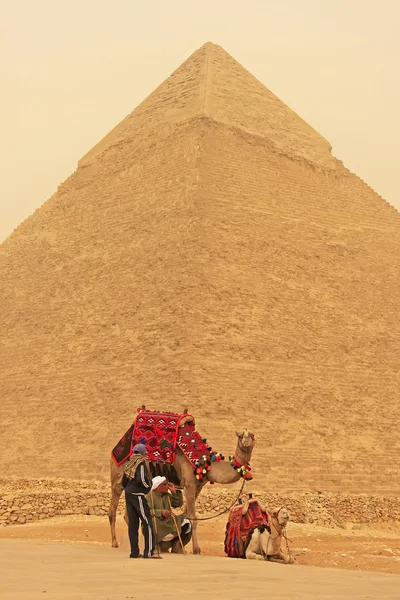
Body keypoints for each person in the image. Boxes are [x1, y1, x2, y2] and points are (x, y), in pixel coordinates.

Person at [123, 443, 161, 559]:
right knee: (147, 522)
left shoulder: (129, 463)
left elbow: (123, 482)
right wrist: (148, 487)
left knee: (133, 524)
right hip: (138, 495)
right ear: (143, 453)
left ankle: (134, 552)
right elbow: (142, 479)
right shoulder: (141, 463)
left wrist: (128, 488)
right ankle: (149, 552)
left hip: (129, 494)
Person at [149, 476, 192, 553]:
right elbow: (146, 512)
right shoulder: (150, 496)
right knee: (152, 521)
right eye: (165, 485)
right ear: (158, 486)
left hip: (169, 521)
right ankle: (155, 545)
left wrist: (174, 492)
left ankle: (177, 545)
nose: (167, 487)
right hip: (158, 522)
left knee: (186, 520)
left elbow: (178, 504)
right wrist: (161, 512)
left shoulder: (167, 496)